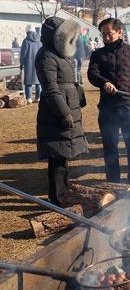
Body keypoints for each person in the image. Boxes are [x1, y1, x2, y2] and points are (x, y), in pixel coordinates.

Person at [88, 18, 130, 185]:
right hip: (108, 108)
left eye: (109, 33)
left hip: (129, 106)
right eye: (103, 34)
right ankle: (113, 182)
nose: (106, 37)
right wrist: (104, 82)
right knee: (110, 148)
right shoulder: (97, 54)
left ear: (119, 32)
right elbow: (92, 74)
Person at [35, 17, 88, 206]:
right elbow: (51, 89)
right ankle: (58, 199)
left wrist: (78, 95)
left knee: (63, 158)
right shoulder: (46, 56)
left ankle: (63, 194)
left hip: (64, 109)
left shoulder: (59, 54)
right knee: (57, 159)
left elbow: (67, 82)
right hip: (55, 115)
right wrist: (64, 113)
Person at [20, 25, 43, 103]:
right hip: (39, 63)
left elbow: (23, 54)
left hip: (29, 64)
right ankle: (38, 98)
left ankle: (29, 98)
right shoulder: (40, 41)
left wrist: (21, 63)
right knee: (38, 81)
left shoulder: (26, 41)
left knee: (28, 81)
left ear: (27, 32)